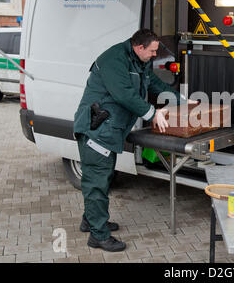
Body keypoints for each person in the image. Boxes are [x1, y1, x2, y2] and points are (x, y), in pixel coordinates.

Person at [73, 29, 194, 252]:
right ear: (139, 47)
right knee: (96, 183)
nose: (155, 55)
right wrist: (152, 113)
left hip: (110, 130)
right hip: (96, 129)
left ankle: (91, 220)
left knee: (103, 178)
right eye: (152, 51)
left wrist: (182, 100)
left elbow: (155, 85)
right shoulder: (113, 59)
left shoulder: (139, 61)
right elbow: (123, 94)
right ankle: (98, 236)